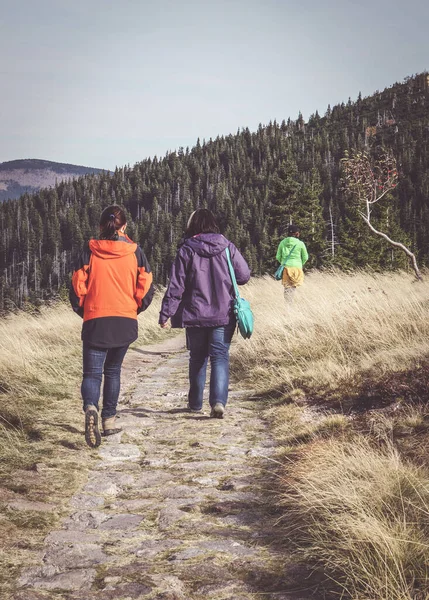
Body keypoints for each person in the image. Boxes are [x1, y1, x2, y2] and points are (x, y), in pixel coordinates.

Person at [70, 205, 154, 448]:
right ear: (124, 226)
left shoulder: (90, 250)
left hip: (96, 319)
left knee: (91, 374)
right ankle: (108, 421)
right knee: (113, 371)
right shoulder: (135, 252)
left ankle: (90, 407)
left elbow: (78, 286)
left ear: (101, 226)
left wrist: (85, 311)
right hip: (124, 320)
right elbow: (146, 286)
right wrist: (133, 309)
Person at [159, 209, 250, 419]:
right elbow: (244, 275)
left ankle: (195, 403)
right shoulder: (227, 247)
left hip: (195, 314)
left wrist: (166, 313)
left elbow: (176, 286)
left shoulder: (186, 250)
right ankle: (218, 402)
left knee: (197, 357)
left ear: (193, 226)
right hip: (223, 314)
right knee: (219, 357)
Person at [276, 224, 308, 301]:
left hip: (286, 267)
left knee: (287, 287)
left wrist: (283, 263)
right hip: (297, 267)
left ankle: (288, 304)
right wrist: (300, 264)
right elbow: (305, 257)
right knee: (294, 286)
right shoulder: (300, 243)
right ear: (296, 233)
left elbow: (278, 256)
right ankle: (291, 303)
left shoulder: (282, 242)